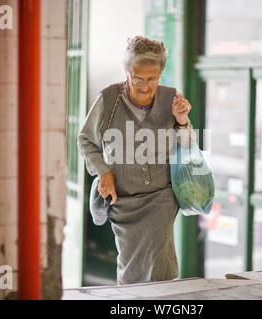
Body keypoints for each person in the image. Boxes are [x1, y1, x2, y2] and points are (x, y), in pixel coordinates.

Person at [77, 35, 195, 285]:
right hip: (124, 199)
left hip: (161, 197)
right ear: (126, 72)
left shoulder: (171, 99)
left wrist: (182, 121)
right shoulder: (108, 99)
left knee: (160, 262)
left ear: (160, 75)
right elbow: (85, 140)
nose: (144, 86)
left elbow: (188, 145)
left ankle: (163, 301)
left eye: (152, 79)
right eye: (137, 78)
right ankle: (129, 302)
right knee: (130, 266)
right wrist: (103, 172)